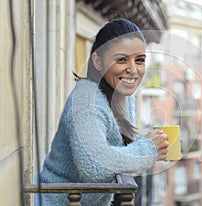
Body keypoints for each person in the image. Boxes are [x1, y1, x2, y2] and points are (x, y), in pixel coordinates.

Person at [35, 18, 169, 206]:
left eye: (139, 60)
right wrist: (149, 149)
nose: (133, 69)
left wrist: (154, 140)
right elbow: (95, 165)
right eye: (122, 59)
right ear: (97, 61)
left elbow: (114, 145)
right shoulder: (84, 100)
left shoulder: (123, 95)